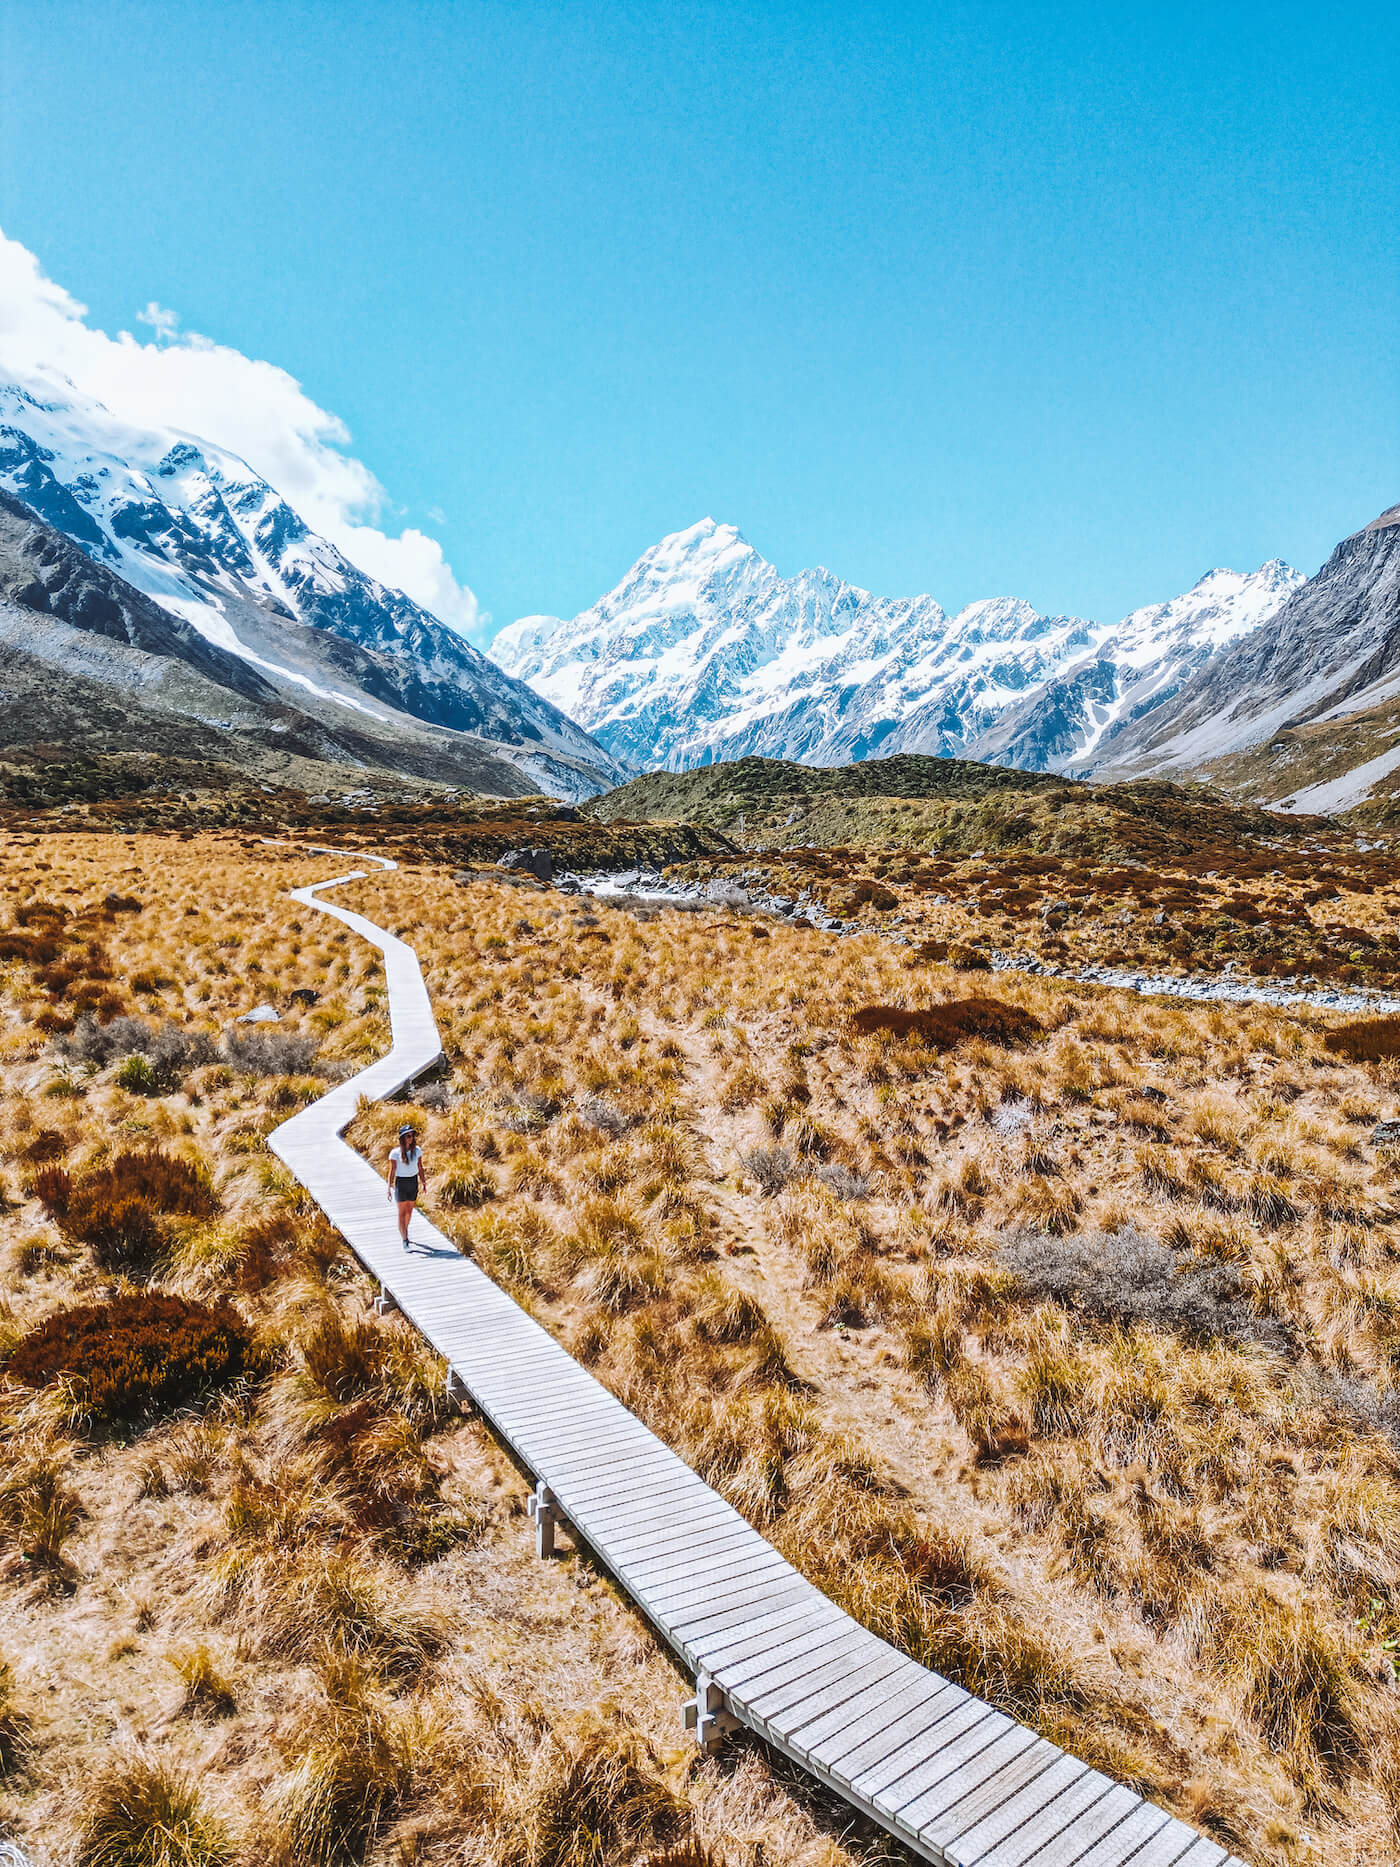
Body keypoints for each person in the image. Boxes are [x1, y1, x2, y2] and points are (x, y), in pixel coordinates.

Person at [386, 1123, 427, 1246]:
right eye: (408, 1136)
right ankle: (405, 1239)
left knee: (409, 1211)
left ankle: (405, 1230)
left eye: (412, 1136)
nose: (411, 1138)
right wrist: (389, 1187)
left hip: (413, 1182)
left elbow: (420, 1167)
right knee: (402, 1212)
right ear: (402, 1138)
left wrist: (424, 1182)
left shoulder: (417, 1151)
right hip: (401, 1183)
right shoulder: (395, 1153)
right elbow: (392, 1171)